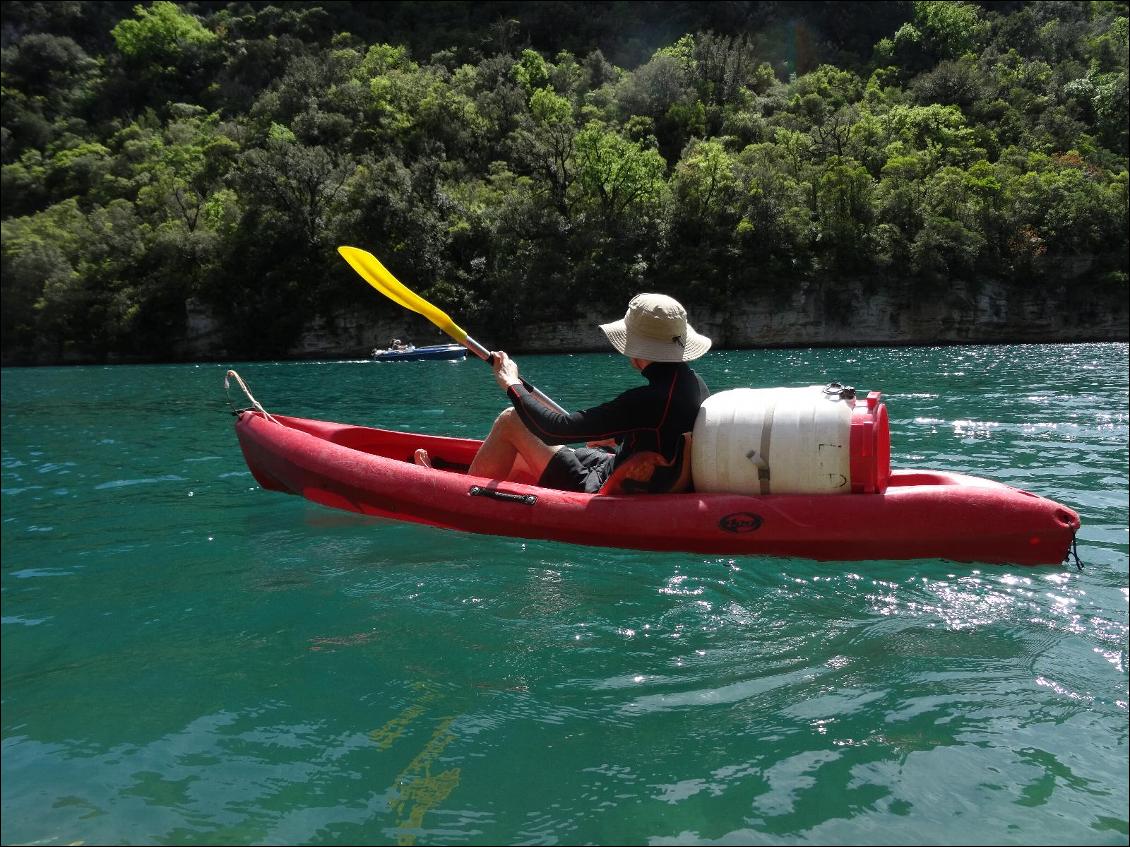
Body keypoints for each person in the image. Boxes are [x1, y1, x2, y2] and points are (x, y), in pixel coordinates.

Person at [416, 293, 710, 493]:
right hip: (618, 465)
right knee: (551, 444)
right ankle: (471, 477)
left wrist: (511, 383)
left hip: (598, 487)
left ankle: (460, 493)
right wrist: (616, 435)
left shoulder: (647, 400)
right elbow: (663, 431)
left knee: (510, 420)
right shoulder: (694, 384)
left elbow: (553, 431)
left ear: (636, 351)